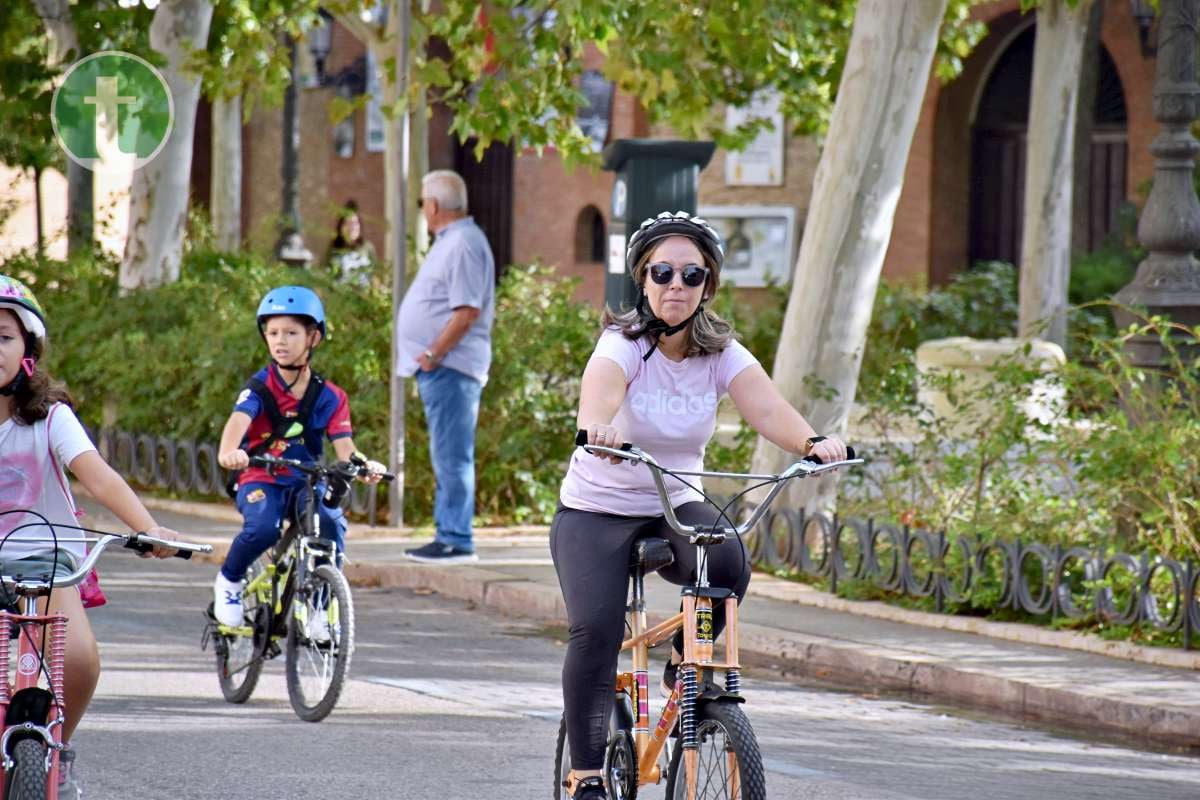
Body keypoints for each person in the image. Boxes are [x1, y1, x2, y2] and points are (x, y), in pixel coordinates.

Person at [551, 212, 848, 799]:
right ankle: (585, 774)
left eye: (691, 275)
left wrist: (813, 444)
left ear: (707, 285)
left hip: (674, 500)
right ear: (643, 278)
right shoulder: (624, 344)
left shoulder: (720, 353)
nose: (675, 286)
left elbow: (766, 408)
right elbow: (600, 397)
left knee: (729, 561)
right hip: (597, 506)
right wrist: (598, 429)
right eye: (662, 273)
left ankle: (689, 663)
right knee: (596, 629)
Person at [0, 274, 181, 800]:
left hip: (47, 560)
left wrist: (148, 528)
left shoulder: (50, 419)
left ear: (28, 350)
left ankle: (55, 750)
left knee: (78, 660)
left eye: (5, 336)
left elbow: (97, 475)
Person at [212, 286, 386, 627]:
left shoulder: (331, 396)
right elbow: (236, 426)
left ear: (314, 338)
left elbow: (346, 450)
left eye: (291, 333)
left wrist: (365, 467)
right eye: (273, 332)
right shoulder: (258, 389)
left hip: (306, 481)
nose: (281, 341)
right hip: (260, 478)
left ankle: (319, 606)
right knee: (263, 528)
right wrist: (230, 454)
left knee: (331, 523)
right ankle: (230, 581)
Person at [396, 170, 495, 564]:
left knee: (452, 455)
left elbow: (467, 309)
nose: (423, 210)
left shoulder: (464, 244)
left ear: (433, 206)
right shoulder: (452, 242)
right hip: (443, 368)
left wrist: (433, 354)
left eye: (423, 203)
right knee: (446, 454)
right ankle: (448, 532)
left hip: (451, 368)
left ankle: (455, 538)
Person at [327, 200, 376, 286]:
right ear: (340, 227)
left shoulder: (368, 248)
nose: (352, 227)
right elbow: (326, 277)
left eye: (355, 223)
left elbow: (375, 275)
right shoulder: (333, 249)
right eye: (348, 223)